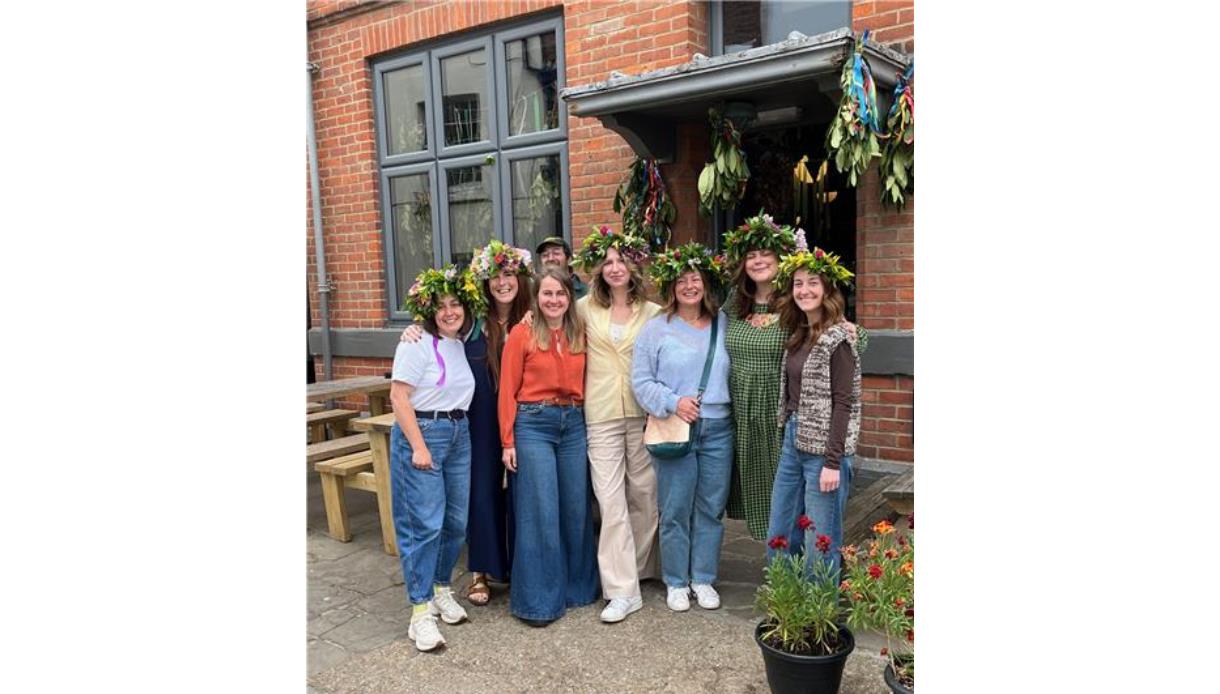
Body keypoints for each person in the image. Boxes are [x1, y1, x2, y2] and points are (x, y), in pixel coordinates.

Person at [402, 241, 534, 605]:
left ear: (520, 279)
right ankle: (480, 573)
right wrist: (414, 328)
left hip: (525, 417)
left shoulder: (534, 316)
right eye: (495, 276)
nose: (502, 282)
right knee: (480, 491)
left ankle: (521, 567)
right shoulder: (474, 320)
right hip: (477, 417)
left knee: (524, 492)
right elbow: (440, 330)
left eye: (509, 274)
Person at [631, 243, 733, 613]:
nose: (690, 286)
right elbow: (641, 382)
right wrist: (674, 401)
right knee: (675, 508)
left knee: (709, 508)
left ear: (707, 284)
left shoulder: (724, 323)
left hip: (719, 428)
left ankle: (702, 577)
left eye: (696, 279)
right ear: (671, 287)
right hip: (674, 427)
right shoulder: (656, 329)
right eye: (682, 280)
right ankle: (676, 580)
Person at [389, 265, 485, 652]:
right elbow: (399, 398)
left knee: (455, 522)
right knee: (423, 525)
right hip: (424, 433)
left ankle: (441, 588)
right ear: (429, 311)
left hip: (459, 433)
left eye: (455, 304)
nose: (449, 312)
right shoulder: (415, 341)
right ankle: (419, 612)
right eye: (441, 306)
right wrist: (418, 446)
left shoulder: (459, 343)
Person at [498, 267, 599, 625]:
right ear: (536, 298)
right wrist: (507, 440)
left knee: (575, 508)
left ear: (569, 298)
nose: (553, 300)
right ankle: (538, 602)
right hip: (533, 424)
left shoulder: (579, 330)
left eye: (560, 294)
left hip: (573, 424)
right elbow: (507, 390)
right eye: (547, 294)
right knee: (540, 510)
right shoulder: (521, 334)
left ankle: (578, 590)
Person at [571, 225, 660, 623]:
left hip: (644, 415)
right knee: (610, 500)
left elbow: (696, 329)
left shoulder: (655, 312)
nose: (614, 267)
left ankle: (638, 570)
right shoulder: (584, 308)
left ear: (633, 266)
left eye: (621, 260)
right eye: (607, 262)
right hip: (601, 413)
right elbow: (546, 319)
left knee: (644, 496)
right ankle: (621, 591)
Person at [765, 238, 861, 578]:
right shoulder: (798, 333)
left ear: (827, 289)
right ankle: (784, 605)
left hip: (824, 451)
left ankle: (816, 616)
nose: (804, 290)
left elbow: (844, 403)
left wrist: (833, 462)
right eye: (798, 283)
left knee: (820, 537)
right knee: (780, 528)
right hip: (793, 440)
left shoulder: (839, 340)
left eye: (813, 283)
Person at [721, 211, 798, 544]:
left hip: (777, 411)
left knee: (783, 491)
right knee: (752, 487)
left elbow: (832, 331)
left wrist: (850, 331)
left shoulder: (797, 301)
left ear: (781, 258)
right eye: (751, 255)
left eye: (765, 253)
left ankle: (786, 560)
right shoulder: (735, 304)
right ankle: (773, 559)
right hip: (739, 411)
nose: (758, 260)